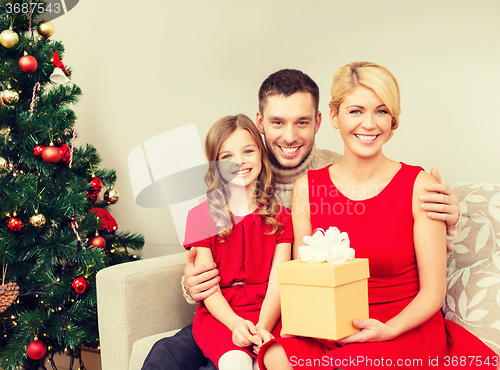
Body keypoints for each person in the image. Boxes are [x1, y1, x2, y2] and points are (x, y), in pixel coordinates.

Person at [141, 69, 462, 370]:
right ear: (260, 122)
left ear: (321, 121)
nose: (290, 136)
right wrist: (191, 284)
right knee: (166, 355)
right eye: (278, 122)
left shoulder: (340, 170)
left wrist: (450, 218)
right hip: (231, 312)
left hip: (278, 309)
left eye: (302, 122)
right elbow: (207, 248)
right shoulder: (235, 167)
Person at [258, 62, 498, 370]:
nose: (369, 124)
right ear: (334, 117)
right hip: (319, 324)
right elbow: (305, 277)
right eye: (356, 111)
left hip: (400, 326)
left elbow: (433, 290)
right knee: (275, 355)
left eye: (381, 111)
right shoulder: (246, 176)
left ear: (316, 122)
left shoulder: (419, 185)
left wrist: (390, 328)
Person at [182, 114, 293, 370]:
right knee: (238, 361)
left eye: (248, 151)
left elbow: (279, 283)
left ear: (261, 156)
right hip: (221, 316)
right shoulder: (200, 216)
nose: (239, 161)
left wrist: (264, 325)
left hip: (270, 312)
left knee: (277, 359)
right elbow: (208, 287)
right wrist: (234, 324)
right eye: (227, 156)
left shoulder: (281, 217)